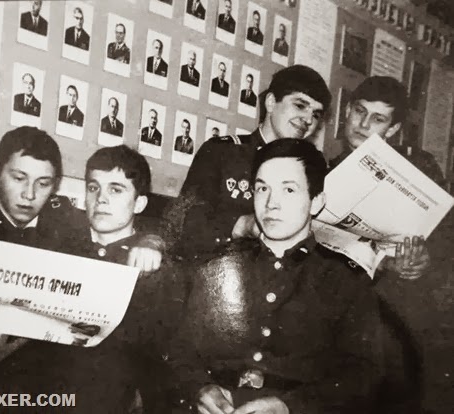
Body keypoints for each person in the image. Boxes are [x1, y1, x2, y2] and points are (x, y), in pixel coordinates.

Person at [0, 127, 165, 395]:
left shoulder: (61, 217)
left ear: (55, 185)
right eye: (19, 178)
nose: (29, 194)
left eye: (43, 183)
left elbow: (126, 220)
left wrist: (151, 242)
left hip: (18, 378)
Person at [166, 139, 382, 413]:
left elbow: (362, 375)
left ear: (316, 202)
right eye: (262, 188)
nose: (271, 204)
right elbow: (180, 349)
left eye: (288, 190)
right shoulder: (219, 265)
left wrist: (290, 406)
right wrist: (199, 388)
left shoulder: (344, 279)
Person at [0, 146, 181, 413]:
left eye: (116, 190)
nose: (101, 199)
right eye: (93, 188)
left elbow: (161, 360)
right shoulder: (61, 246)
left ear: (139, 204)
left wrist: (153, 242)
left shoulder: (155, 268)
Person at [163, 65, 331, 259]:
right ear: (271, 102)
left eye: (316, 115)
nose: (308, 119)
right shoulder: (223, 152)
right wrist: (242, 225)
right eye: (300, 106)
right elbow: (181, 223)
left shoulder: (312, 169)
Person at [329, 76, 443, 280]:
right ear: (347, 110)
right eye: (360, 111)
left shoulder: (419, 168)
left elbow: (445, 236)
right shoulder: (326, 172)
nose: (364, 124)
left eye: (378, 119)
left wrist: (429, 256)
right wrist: (382, 262)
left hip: (403, 290)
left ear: (392, 129)